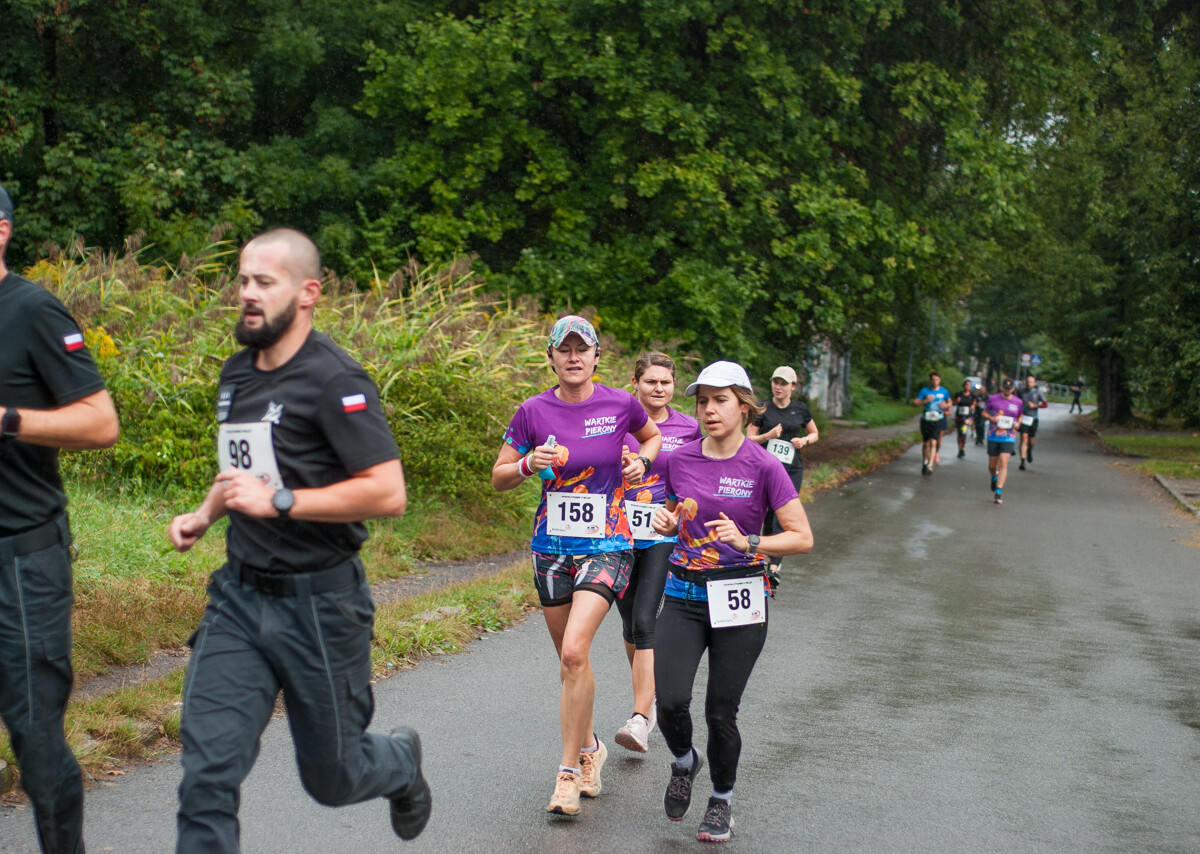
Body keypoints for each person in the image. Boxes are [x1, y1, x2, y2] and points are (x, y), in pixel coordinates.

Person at [167, 228, 430, 852]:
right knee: (206, 776)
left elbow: (387, 492)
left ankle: (398, 763)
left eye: (265, 282)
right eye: (242, 280)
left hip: (321, 607)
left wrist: (283, 502)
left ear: (307, 293)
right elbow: (246, 469)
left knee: (335, 778)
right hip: (238, 600)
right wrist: (205, 514)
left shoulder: (335, 379)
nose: (247, 294)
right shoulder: (237, 372)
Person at [491, 315, 661, 816]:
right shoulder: (532, 411)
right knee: (571, 662)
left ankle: (566, 775)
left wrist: (642, 462)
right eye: (563, 349)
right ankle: (590, 750)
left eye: (581, 349)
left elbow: (651, 437)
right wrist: (529, 464)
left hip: (608, 542)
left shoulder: (621, 403)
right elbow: (499, 476)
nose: (572, 357)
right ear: (551, 357)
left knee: (573, 649)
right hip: (551, 548)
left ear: (595, 356)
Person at [0, 185, 119, 854]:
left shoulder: (33, 311)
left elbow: (101, 423)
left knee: (36, 737)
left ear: (1, 231)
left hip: (21, 560)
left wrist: (9, 420)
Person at [650, 361, 813, 843]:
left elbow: (802, 537)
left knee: (720, 711)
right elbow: (671, 511)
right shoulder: (679, 459)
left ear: (743, 406)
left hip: (738, 597)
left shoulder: (764, 466)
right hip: (683, 594)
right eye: (702, 401)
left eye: (720, 400)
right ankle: (685, 761)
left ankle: (721, 799)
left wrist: (750, 542)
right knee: (670, 701)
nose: (708, 409)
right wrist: (665, 521)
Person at [614, 352, 701, 754]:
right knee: (630, 623)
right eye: (651, 381)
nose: (659, 388)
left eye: (665, 381)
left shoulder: (689, 427)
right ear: (635, 383)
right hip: (617, 533)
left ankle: (639, 718)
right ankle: (646, 696)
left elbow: (698, 474)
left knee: (645, 619)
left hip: (662, 532)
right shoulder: (616, 421)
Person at [746, 365, 817, 579]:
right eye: (775, 382)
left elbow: (814, 433)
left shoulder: (800, 409)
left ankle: (774, 567)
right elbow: (749, 439)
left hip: (792, 469)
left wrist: (804, 441)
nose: (778, 387)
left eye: (783, 384)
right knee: (766, 514)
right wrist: (767, 436)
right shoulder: (762, 407)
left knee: (781, 514)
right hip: (765, 469)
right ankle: (764, 556)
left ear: (793, 387)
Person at [983, 377, 1023, 504]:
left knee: (1004, 463)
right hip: (993, 435)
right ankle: (994, 476)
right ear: (1002, 387)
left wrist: (1018, 423)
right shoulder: (993, 399)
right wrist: (992, 418)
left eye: (1009, 388)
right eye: (1005, 387)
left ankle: (998, 492)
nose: (1007, 390)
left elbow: (1020, 415)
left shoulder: (1018, 402)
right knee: (992, 465)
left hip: (1009, 436)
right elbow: (984, 413)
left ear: (1013, 388)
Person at [913, 371, 950, 475]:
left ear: (940, 380)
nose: (934, 382)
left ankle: (930, 465)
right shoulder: (924, 390)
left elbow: (950, 402)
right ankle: (925, 462)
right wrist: (924, 401)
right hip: (926, 419)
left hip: (938, 419)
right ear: (930, 380)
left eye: (936, 380)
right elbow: (914, 403)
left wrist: (946, 405)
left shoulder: (944, 391)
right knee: (926, 443)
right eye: (933, 380)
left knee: (934, 442)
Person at [1018, 375, 1048, 470]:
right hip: (1023, 418)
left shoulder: (1038, 392)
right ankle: (1022, 461)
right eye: (1027, 381)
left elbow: (1045, 404)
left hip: (1033, 419)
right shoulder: (1021, 392)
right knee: (1024, 438)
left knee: (1031, 441)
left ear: (1034, 383)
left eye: (1031, 382)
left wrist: (1035, 406)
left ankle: (1029, 450)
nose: (1029, 383)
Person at [952, 380, 976, 459]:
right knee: (960, 434)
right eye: (966, 385)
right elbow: (953, 403)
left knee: (963, 432)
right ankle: (960, 449)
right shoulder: (959, 394)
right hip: (959, 416)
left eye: (969, 385)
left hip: (968, 417)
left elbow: (975, 403)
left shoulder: (972, 395)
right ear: (963, 386)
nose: (968, 386)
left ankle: (963, 448)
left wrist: (973, 406)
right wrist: (957, 401)